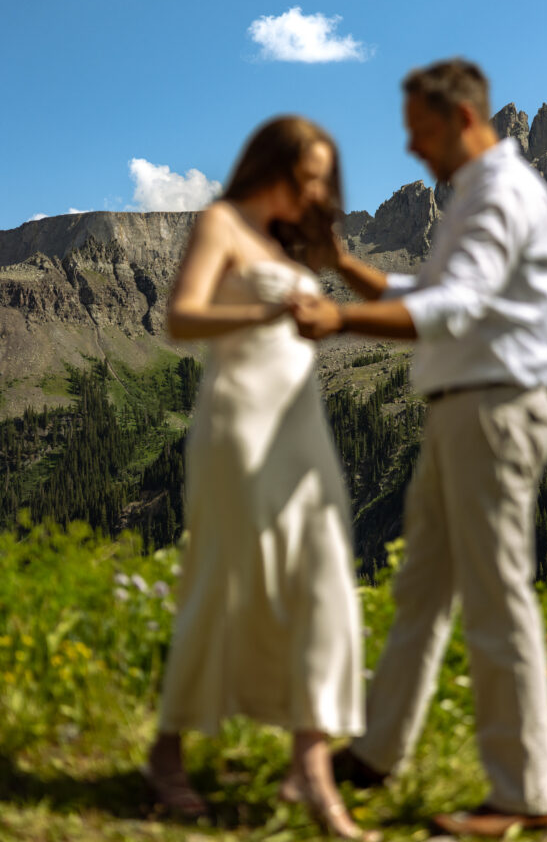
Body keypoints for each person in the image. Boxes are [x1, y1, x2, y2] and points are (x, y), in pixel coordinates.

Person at [289, 58, 547, 838]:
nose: (412, 149)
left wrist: (337, 319)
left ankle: (523, 795)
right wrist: (346, 268)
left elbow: (456, 304)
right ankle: (378, 752)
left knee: (495, 598)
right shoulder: (476, 196)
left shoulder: (499, 195)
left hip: (489, 412)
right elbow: (429, 290)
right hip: (463, 413)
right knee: (422, 588)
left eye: (419, 133)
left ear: (462, 118)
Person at [145, 116, 378, 842]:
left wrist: (322, 297)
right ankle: (168, 752)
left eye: (320, 178)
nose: (314, 188)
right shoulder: (222, 222)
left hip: (300, 424)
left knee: (324, 576)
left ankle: (307, 765)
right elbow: (179, 320)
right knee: (226, 575)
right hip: (239, 421)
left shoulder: (293, 243)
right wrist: (270, 306)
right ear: (269, 167)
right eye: (305, 174)